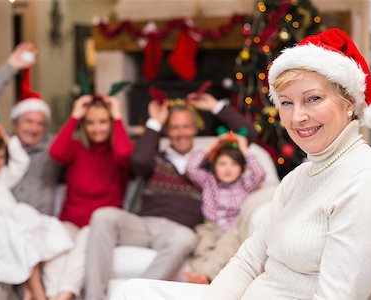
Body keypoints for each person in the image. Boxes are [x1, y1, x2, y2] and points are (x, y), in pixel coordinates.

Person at [111, 28, 371, 300]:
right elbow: (249, 259)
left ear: (349, 104)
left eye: (313, 99)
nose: (297, 117)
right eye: (286, 103)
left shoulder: (369, 183)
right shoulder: (300, 176)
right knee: (132, 291)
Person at [85, 92, 258, 300]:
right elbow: (138, 160)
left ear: (195, 129)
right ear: (167, 131)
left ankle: (134, 297)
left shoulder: (210, 164)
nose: (181, 133)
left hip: (178, 231)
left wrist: (215, 106)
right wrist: (155, 122)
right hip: (142, 224)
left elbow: (248, 133)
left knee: (184, 238)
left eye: (186, 126)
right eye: (174, 127)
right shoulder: (156, 157)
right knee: (103, 216)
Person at [0, 122, 72, 300]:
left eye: (0, 157)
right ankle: (38, 294)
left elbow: (22, 162)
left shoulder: (2, 176)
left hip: (7, 224)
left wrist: (7, 139)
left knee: (37, 233)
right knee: (19, 236)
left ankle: (30, 292)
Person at [43, 95, 133, 300]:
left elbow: (124, 154)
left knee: (86, 238)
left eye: (103, 122)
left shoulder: (118, 151)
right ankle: (52, 296)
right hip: (70, 222)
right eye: (90, 123)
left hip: (99, 227)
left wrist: (117, 116)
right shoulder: (76, 148)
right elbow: (56, 152)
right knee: (55, 245)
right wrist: (75, 115)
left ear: (111, 123)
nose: (96, 128)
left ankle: (63, 296)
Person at [0, 42, 61, 216]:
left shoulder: (54, 149)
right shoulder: (2, 145)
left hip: (41, 226)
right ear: (15, 123)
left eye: (40, 123)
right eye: (28, 121)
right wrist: (11, 66)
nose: (34, 128)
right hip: (4, 222)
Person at [183, 131, 266, 284]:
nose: (228, 169)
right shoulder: (209, 181)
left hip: (231, 230)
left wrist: (243, 149)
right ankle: (200, 276)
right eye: (222, 164)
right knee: (201, 245)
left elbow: (260, 173)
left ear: (242, 168)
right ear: (214, 167)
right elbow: (190, 168)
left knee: (225, 247)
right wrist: (213, 144)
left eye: (234, 164)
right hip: (210, 227)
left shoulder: (244, 184)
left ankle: (207, 276)